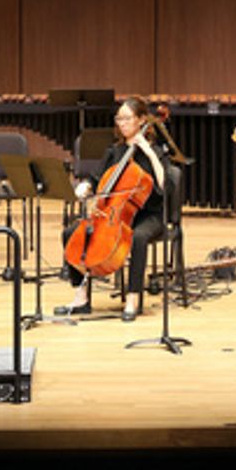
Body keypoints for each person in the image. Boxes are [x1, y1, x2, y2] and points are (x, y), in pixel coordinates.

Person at [58, 97, 176, 322]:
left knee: (138, 237)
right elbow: (97, 178)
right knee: (70, 233)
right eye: (119, 118)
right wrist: (87, 186)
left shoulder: (156, 152)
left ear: (141, 121)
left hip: (148, 215)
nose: (122, 123)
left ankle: (133, 298)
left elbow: (165, 186)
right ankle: (81, 298)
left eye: (127, 118)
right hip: (113, 214)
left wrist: (148, 152)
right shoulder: (115, 151)